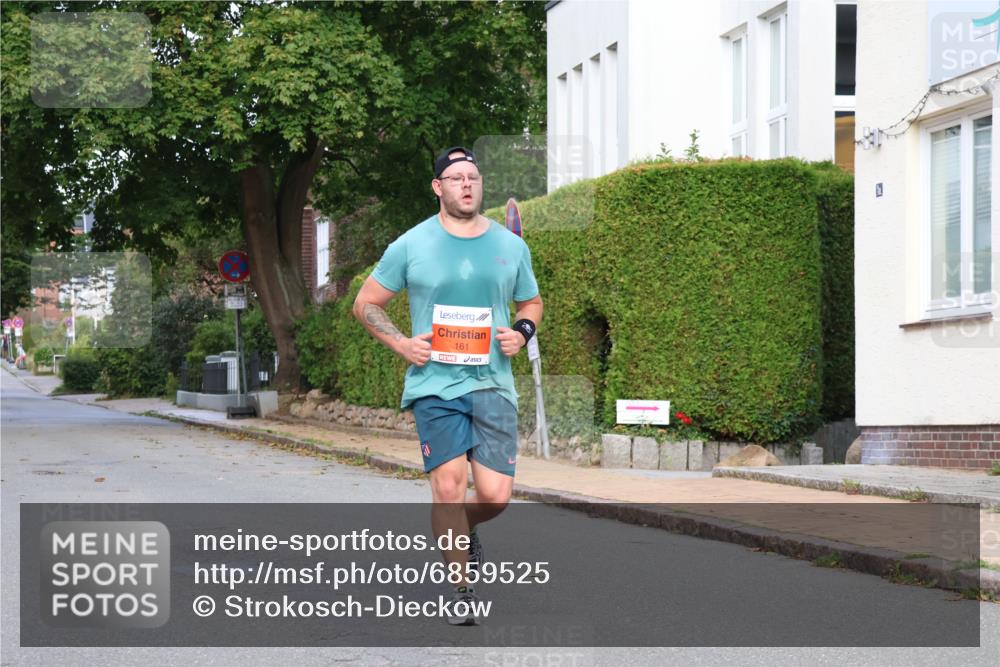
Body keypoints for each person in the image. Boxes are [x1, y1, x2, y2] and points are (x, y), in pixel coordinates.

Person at [353, 146, 543, 625]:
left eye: (473, 177)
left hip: (493, 385)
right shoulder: (410, 244)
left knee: (495, 496)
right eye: (456, 178)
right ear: (438, 187)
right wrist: (401, 343)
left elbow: (531, 303)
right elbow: (366, 303)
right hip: (435, 386)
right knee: (449, 487)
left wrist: (521, 333)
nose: (466, 185)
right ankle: (460, 589)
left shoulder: (510, 246)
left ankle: (460, 528)